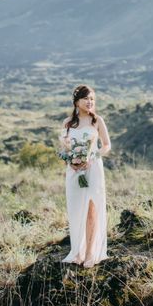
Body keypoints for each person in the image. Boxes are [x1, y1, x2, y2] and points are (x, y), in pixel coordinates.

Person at [59, 85, 111, 267]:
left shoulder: (97, 121)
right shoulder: (68, 123)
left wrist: (93, 156)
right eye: (86, 99)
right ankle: (78, 252)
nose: (90, 102)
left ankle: (90, 253)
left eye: (92, 99)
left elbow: (106, 145)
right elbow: (65, 147)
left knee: (91, 210)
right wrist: (70, 160)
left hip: (93, 168)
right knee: (76, 211)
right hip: (74, 171)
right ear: (76, 102)